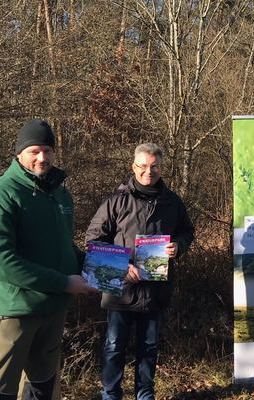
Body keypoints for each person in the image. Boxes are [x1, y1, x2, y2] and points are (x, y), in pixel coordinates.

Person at [85, 143, 194, 400]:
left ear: (161, 167)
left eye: (154, 166)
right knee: (114, 347)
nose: (149, 171)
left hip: (156, 289)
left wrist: (178, 246)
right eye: (143, 166)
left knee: (149, 347)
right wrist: (121, 268)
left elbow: (187, 232)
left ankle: (145, 395)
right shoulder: (116, 201)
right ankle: (110, 394)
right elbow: (93, 240)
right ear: (133, 166)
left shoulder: (172, 202)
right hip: (120, 290)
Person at [0, 119, 93, 400]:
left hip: (53, 308)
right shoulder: (6, 192)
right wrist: (64, 282)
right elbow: (4, 261)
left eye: (48, 150)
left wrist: (103, 268)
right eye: (34, 151)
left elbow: (66, 247)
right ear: (19, 154)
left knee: (42, 383)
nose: (42, 157)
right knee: (4, 387)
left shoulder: (60, 193)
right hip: (17, 310)